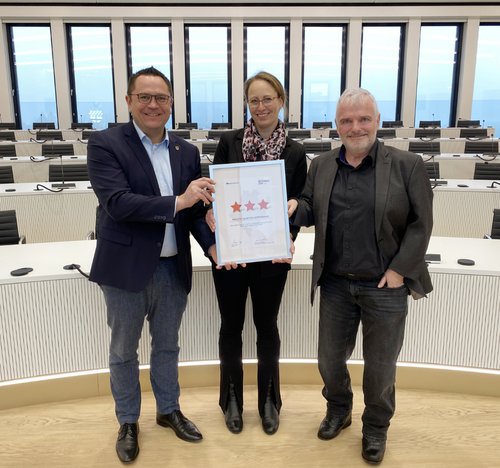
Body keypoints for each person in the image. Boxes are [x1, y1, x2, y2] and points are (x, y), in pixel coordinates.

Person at [288, 88, 433, 464]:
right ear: (337, 126)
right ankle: (339, 408)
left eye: (363, 119)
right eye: (347, 121)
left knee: (381, 367)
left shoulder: (406, 165)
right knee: (329, 360)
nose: (356, 127)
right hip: (335, 282)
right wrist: (293, 207)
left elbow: (421, 224)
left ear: (377, 121)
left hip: (384, 284)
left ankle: (375, 426)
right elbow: (308, 206)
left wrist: (400, 270)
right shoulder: (320, 166)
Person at [87, 66, 216, 464]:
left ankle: (168, 410)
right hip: (125, 268)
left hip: (172, 267)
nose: (153, 104)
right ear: (128, 101)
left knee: (168, 345)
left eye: (161, 97)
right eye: (144, 96)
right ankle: (128, 420)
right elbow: (119, 203)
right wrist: (180, 200)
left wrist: (212, 246)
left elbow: (194, 214)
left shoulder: (186, 151)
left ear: (171, 103)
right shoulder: (105, 144)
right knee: (124, 350)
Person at [205, 71, 307, 435]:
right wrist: (209, 212)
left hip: (272, 257)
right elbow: (213, 193)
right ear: (247, 104)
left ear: (281, 100)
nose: (260, 106)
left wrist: (289, 234)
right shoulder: (229, 142)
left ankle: (269, 401)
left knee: (267, 327)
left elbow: (300, 201)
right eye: (254, 100)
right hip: (232, 255)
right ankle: (231, 399)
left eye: (267, 98)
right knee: (230, 327)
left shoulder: (295, 152)